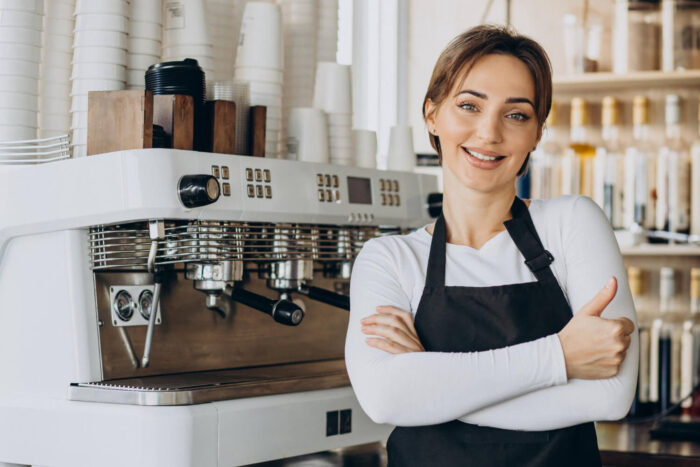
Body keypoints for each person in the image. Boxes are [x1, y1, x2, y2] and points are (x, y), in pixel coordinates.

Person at [345, 25, 638, 467]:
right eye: (468, 106)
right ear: (432, 115)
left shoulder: (572, 222)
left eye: (516, 115)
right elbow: (387, 399)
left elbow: (612, 396)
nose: (489, 132)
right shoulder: (388, 260)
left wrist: (433, 387)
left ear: (537, 133)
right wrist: (560, 356)